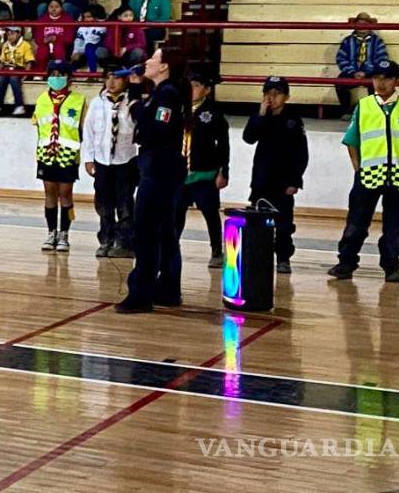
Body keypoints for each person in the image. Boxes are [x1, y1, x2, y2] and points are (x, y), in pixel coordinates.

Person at [328, 60, 399, 284]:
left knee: (394, 226)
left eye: (386, 78)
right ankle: (346, 263)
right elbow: (352, 141)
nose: (380, 83)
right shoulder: (364, 106)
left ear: (397, 81)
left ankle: (391, 266)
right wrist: (358, 170)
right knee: (356, 223)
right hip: (369, 175)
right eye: (376, 78)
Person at [116, 48, 189, 314]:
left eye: (154, 58)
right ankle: (168, 288)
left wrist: (136, 105)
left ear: (165, 66)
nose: (147, 61)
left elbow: (156, 128)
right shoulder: (162, 92)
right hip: (160, 164)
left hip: (160, 166)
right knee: (165, 230)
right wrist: (137, 93)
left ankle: (141, 293)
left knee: (146, 229)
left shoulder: (167, 94)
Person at [242, 76, 309, 274]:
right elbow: (248, 138)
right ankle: (259, 256)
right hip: (261, 180)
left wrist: (295, 180)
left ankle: (283, 257)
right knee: (259, 221)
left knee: (283, 224)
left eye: (277, 94)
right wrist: (260, 115)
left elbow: (301, 154)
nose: (272, 98)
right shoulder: (260, 117)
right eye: (268, 94)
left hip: (284, 182)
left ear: (286, 96)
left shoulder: (293, 120)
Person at [173, 71, 230, 270]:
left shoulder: (213, 113)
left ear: (207, 90)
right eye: (189, 85)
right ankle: (172, 247)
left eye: (197, 86)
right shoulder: (178, 108)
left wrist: (224, 171)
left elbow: (223, 144)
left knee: (210, 212)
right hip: (180, 174)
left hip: (204, 173)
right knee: (176, 212)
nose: (192, 90)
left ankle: (216, 250)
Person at [83, 65, 139, 257]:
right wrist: (88, 158)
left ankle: (124, 242)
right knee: (103, 203)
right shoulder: (97, 103)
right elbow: (89, 132)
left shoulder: (132, 102)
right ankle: (106, 239)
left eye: (116, 78)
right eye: (108, 77)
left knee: (125, 203)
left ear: (125, 80)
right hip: (102, 160)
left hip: (126, 160)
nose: (111, 82)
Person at [33, 60, 86, 252]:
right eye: (53, 74)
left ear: (69, 78)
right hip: (47, 152)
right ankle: (51, 232)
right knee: (49, 193)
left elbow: (82, 126)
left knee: (66, 193)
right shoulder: (41, 99)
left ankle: (65, 233)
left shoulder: (79, 100)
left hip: (68, 153)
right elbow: (39, 126)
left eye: (61, 74)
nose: (56, 78)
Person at [335, 12, 389, 118]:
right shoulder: (347, 41)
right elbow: (341, 58)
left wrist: (367, 72)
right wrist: (352, 72)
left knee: (377, 82)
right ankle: (347, 111)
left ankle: (373, 111)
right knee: (340, 82)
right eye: (359, 24)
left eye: (365, 24)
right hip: (352, 72)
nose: (362, 27)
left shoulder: (378, 41)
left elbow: (381, 60)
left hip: (371, 73)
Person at [0, 26, 34, 117]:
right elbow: (2, 61)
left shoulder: (25, 45)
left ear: (19, 33)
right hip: (7, 68)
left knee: (14, 78)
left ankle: (19, 105)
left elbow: (29, 62)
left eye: (13, 34)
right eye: (8, 34)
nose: (10, 36)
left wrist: (26, 75)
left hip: (20, 68)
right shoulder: (6, 45)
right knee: (1, 79)